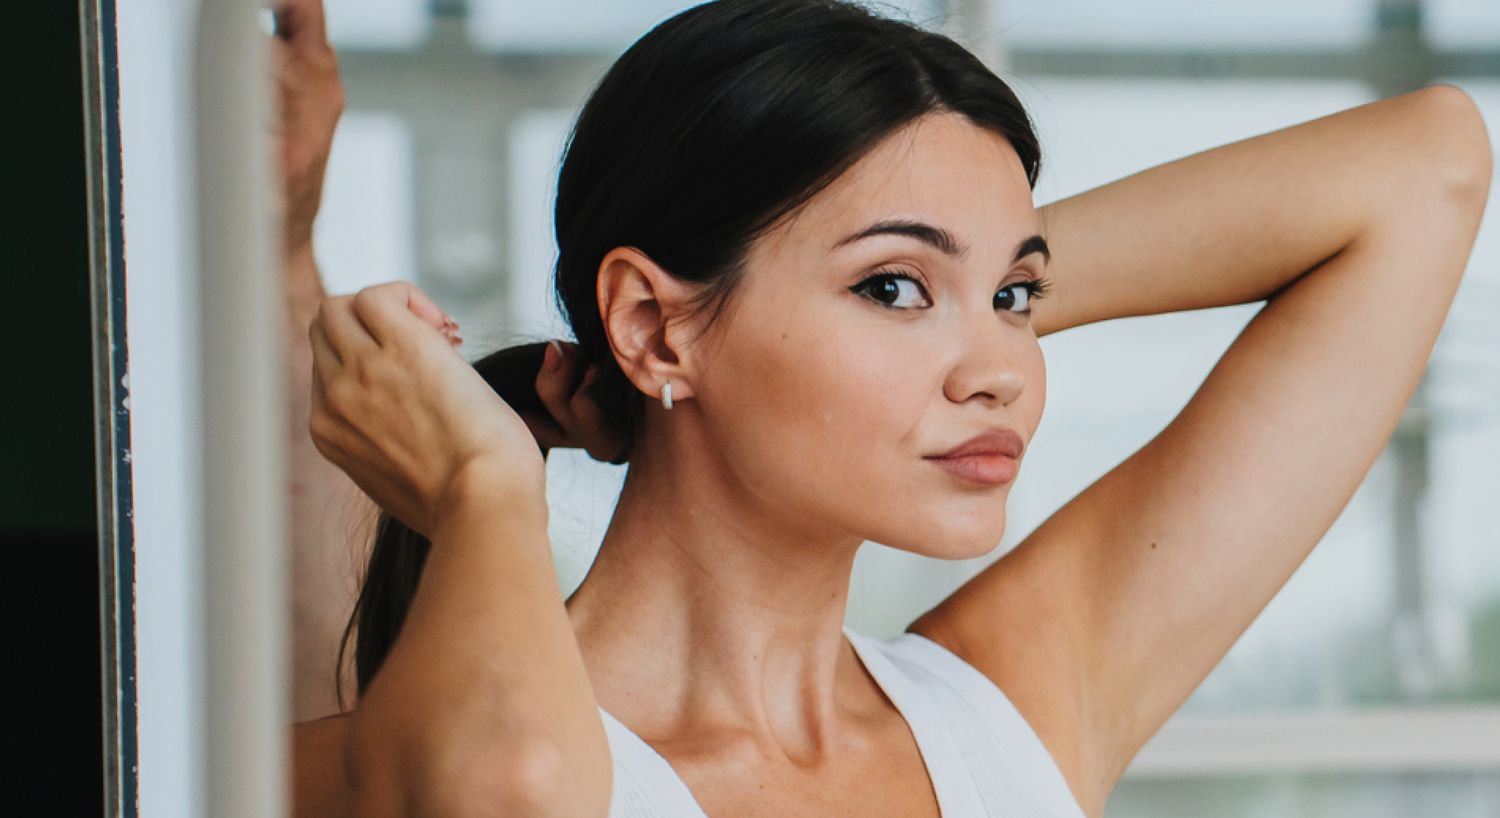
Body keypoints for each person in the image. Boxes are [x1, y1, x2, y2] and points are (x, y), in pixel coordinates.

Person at [277, 0, 1493, 816]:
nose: (1004, 370)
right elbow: (519, 787)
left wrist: (958, 294)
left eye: (1019, 297)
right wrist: (482, 487)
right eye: (891, 286)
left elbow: (1428, 163)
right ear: (651, 323)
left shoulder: (1003, 713)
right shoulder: (360, 768)